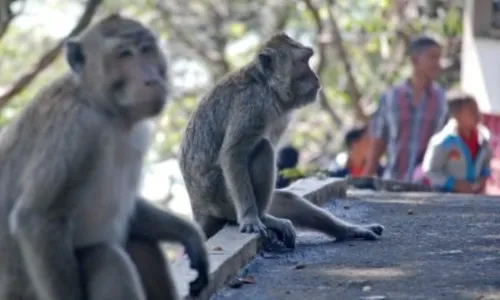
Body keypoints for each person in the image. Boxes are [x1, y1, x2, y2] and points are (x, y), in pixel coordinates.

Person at [364, 35, 448, 181]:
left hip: (429, 188)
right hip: (391, 185)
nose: (438, 64)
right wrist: (364, 180)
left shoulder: (442, 100)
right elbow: (378, 141)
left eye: (439, 58)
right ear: (415, 59)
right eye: (433, 57)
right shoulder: (390, 97)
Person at [421, 91, 492, 194]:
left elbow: (486, 162)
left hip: (475, 197)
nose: (477, 114)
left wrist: (483, 178)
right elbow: (430, 170)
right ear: (457, 115)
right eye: (471, 111)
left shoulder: (483, 138)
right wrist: (453, 183)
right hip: (448, 198)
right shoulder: (443, 142)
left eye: (477, 109)